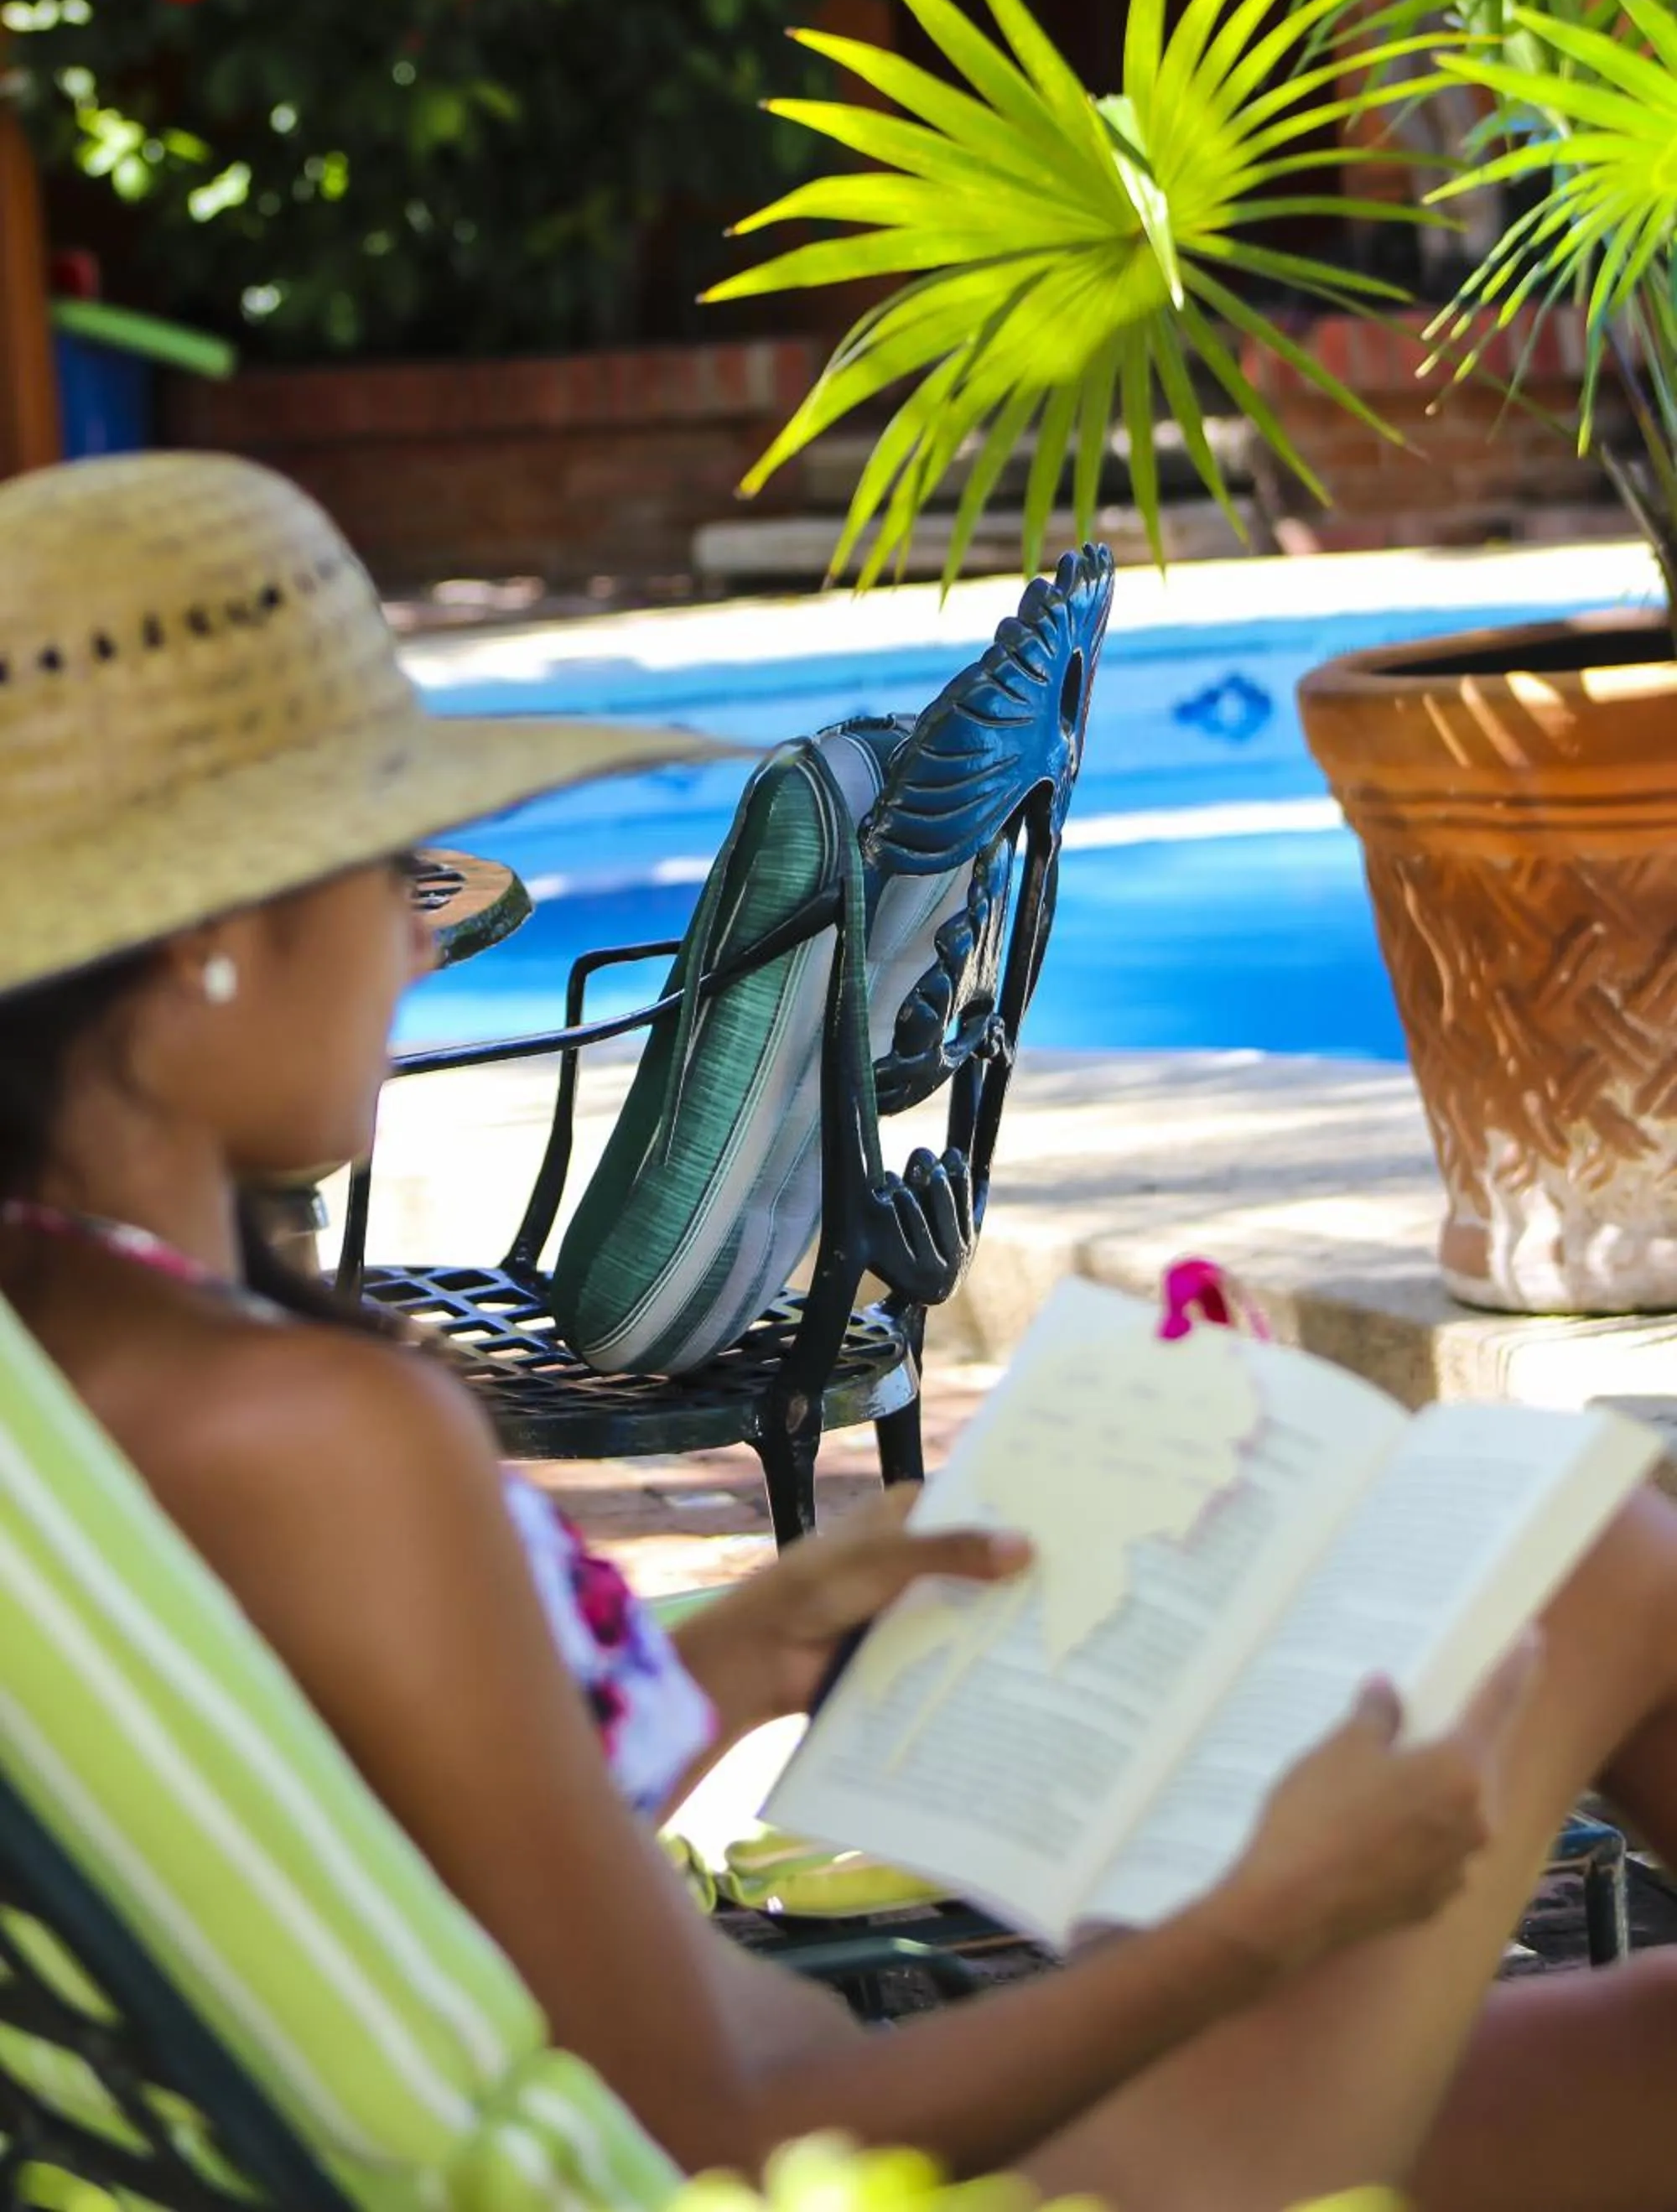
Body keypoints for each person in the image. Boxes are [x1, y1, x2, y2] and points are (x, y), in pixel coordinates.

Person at [3, 452, 1677, 2212]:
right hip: (848, 2173)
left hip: (773, 2131)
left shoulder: (80, 1381)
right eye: (378, 871)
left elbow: (379, 1846)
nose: (411, 945)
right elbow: (730, 2127)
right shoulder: (305, 1431)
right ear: (204, 948)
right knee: (1591, 1556)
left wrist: (752, 1649)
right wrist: (1271, 1917)